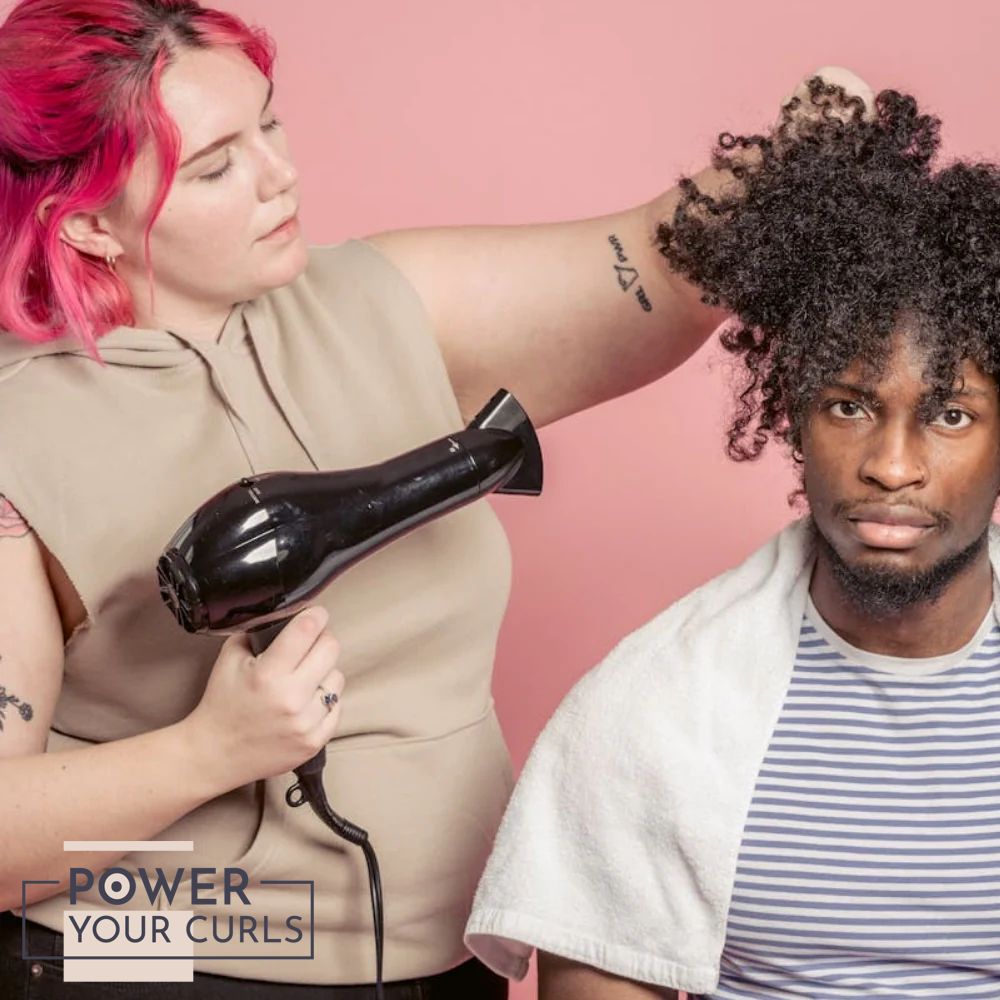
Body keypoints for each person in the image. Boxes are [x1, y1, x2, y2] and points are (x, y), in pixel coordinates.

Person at [0, 0, 867, 996]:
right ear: (88, 225)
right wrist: (207, 752)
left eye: (268, 126)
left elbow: (666, 268)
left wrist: (785, 167)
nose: (279, 176)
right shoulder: (19, 432)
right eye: (214, 167)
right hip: (146, 956)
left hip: (445, 949)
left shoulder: (382, 303)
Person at [465, 82, 1000, 999]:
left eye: (950, 414)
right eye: (849, 405)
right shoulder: (650, 711)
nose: (892, 465)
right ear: (791, 417)